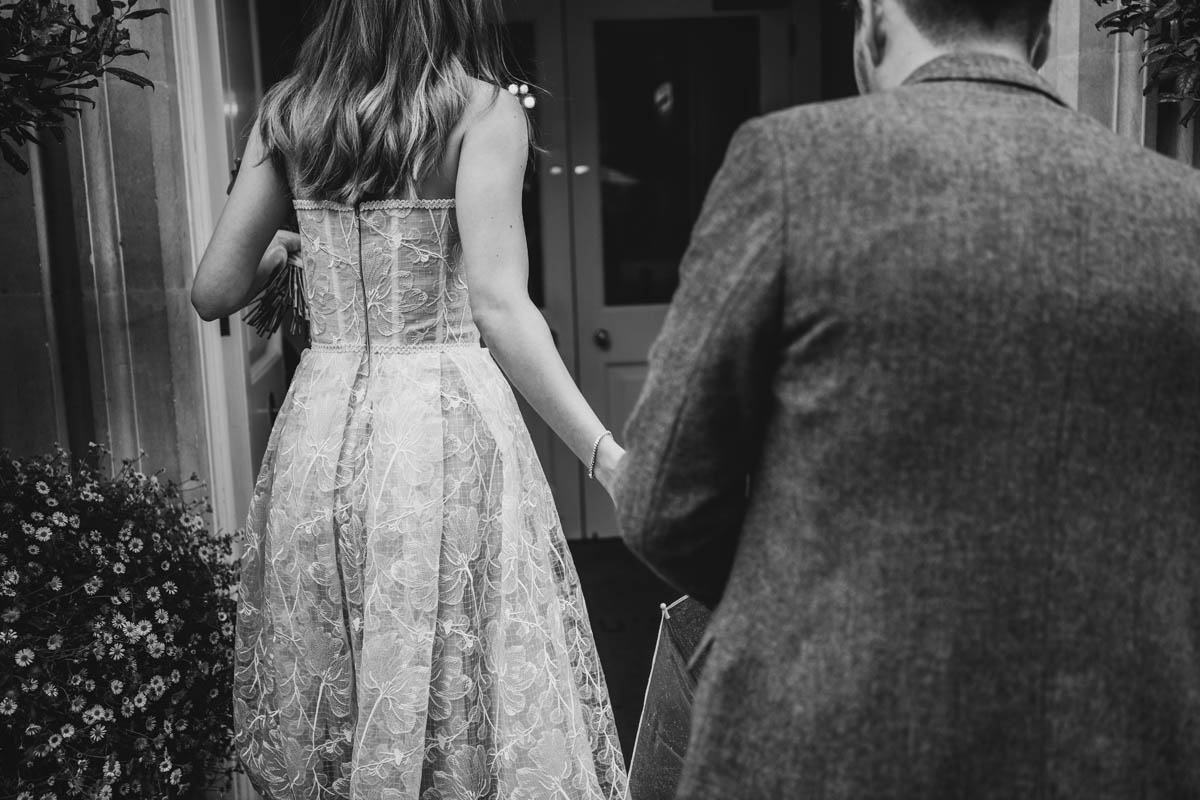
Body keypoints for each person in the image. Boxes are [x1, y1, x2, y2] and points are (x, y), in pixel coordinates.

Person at [615, 0, 1200, 797]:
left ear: (873, 25)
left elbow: (661, 500)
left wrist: (820, 601)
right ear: (1044, 35)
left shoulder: (793, 165)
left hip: (827, 739)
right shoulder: (1182, 214)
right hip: (1105, 746)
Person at [190, 1, 628, 797]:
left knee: (343, 655)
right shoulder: (482, 108)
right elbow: (500, 305)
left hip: (320, 428)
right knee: (456, 656)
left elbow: (213, 289)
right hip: (439, 420)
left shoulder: (288, 112)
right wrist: (602, 453)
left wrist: (289, 248)